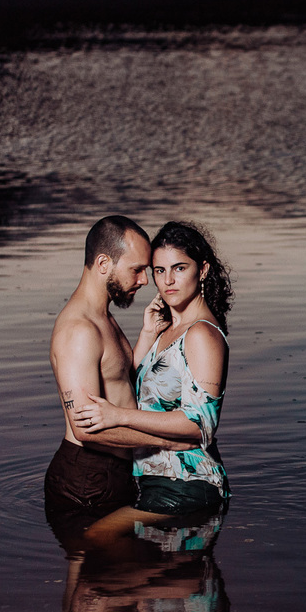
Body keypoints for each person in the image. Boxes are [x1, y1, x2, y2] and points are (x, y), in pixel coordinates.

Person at [74, 221, 233, 541]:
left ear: (202, 270)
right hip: (154, 482)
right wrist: (147, 334)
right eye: (159, 270)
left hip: (189, 484)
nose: (167, 280)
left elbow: (201, 425)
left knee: (94, 540)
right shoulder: (166, 329)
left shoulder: (201, 334)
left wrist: (118, 417)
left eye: (179, 268)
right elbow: (136, 391)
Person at [45, 215, 193, 542]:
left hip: (108, 474)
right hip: (88, 480)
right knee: (103, 587)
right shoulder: (79, 330)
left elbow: (117, 380)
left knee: (102, 585)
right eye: (137, 269)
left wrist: (146, 335)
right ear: (103, 263)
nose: (144, 280)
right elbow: (86, 427)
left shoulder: (102, 317)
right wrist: (164, 441)